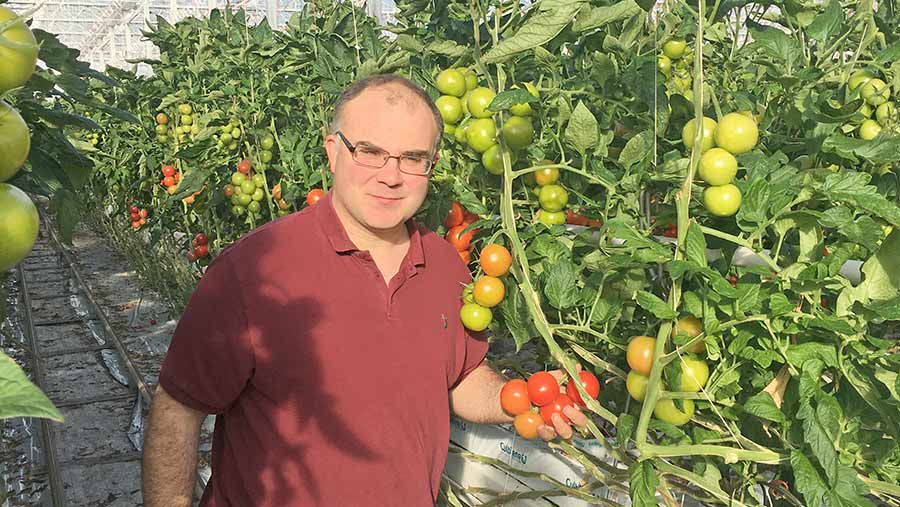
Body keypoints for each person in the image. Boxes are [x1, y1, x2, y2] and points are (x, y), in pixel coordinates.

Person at [141, 73, 587, 507]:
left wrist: (524, 401)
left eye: (413, 158)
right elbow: (179, 407)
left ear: (432, 165)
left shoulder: (446, 266)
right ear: (333, 152)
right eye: (370, 151)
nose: (391, 176)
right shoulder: (255, 269)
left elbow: (458, 378)